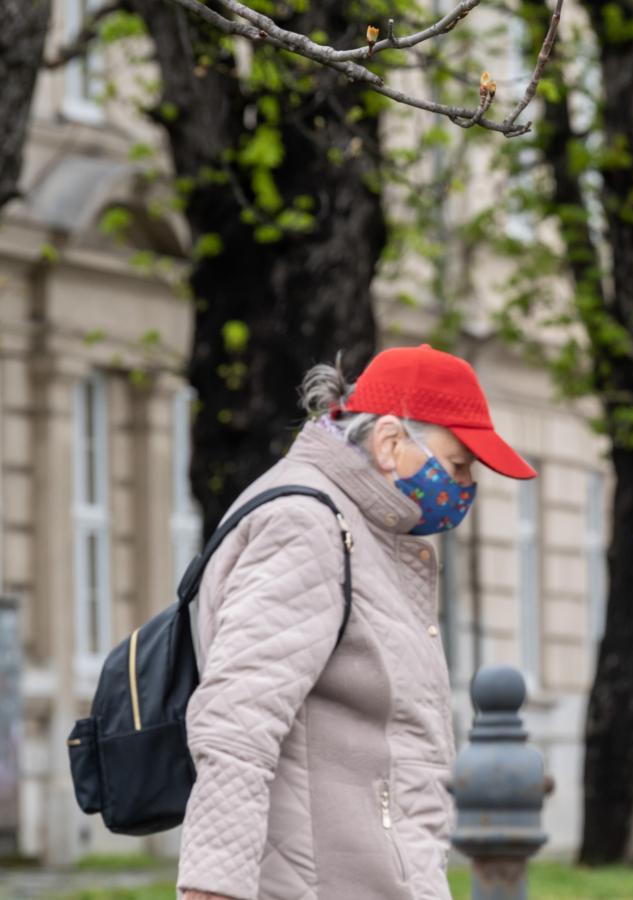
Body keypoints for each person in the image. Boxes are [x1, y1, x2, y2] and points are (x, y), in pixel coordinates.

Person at [177, 345, 536, 900]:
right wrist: (212, 887)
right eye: (459, 463)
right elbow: (237, 718)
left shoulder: (362, 531)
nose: (465, 486)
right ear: (391, 442)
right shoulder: (307, 524)